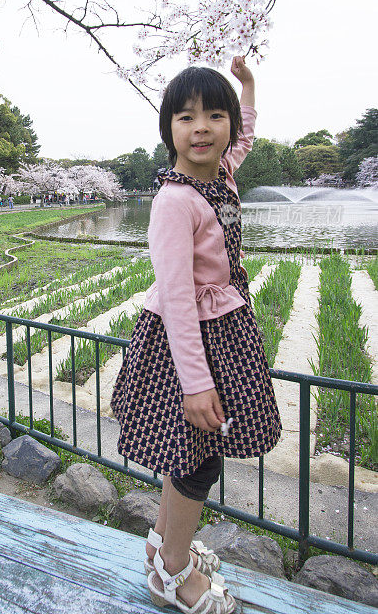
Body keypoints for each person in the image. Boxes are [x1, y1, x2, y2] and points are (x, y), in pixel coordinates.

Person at [111, 57, 281, 614]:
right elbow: (178, 300)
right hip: (188, 350)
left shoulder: (222, 176)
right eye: (185, 117)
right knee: (196, 459)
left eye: (215, 115)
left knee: (191, 453)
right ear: (170, 131)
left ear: (229, 125)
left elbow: (249, 133)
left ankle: (162, 549)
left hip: (223, 336)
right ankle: (175, 575)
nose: (201, 127)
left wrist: (248, 87)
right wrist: (195, 383)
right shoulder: (175, 200)